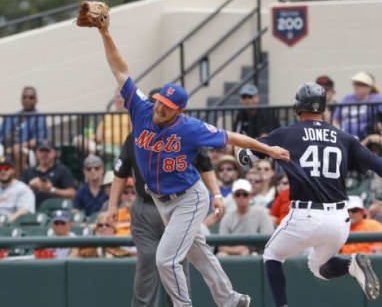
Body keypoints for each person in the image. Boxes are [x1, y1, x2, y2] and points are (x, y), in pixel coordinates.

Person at [93, 21, 289, 307]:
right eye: (159, 102)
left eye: (167, 107)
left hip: (189, 198)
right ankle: (232, 300)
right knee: (200, 255)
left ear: (179, 111)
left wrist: (267, 147)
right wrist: (105, 33)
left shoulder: (190, 127)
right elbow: (121, 70)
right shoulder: (142, 108)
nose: (159, 108)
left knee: (166, 259)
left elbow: (233, 137)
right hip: (161, 201)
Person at [237, 82, 382, 306]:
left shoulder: (287, 133)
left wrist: (237, 146)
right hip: (338, 220)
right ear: (323, 107)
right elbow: (379, 165)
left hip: (305, 215)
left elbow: (245, 158)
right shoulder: (343, 137)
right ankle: (350, 265)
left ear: (298, 106)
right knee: (318, 268)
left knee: (272, 255)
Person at [107, 132, 220, 307]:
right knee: (148, 259)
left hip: (180, 204)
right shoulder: (136, 136)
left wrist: (217, 194)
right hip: (146, 204)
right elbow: (120, 172)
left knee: (177, 263)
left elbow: (205, 166)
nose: (158, 110)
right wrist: (113, 205)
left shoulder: (187, 131)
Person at [332, 71, 382, 140]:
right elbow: (335, 119)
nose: (356, 86)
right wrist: (337, 130)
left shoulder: (378, 98)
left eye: (360, 84)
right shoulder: (347, 98)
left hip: (366, 137)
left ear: (369, 87)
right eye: (354, 84)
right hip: (344, 137)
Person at [217, 179, 274, 256]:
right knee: (221, 255)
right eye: (238, 194)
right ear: (233, 196)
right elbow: (221, 246)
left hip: (257, 253)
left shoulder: (261, 213)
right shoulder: (227, 217)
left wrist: (248, 249)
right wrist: (238, 250)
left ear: (250, 196)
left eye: (245, 194)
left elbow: (268, 240)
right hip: (233, 253)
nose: (241, 197)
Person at [0, 86, 48, 176]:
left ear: (35, 100)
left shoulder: (39, 118)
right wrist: (7, 148)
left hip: (28, 149)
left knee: (19, 153)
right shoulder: (11, 116)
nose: (27, 100)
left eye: (31, 97)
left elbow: (39, 140)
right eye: (24, 97)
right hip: (6, 147)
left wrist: (16, 147)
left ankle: (18, 183)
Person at [20, 142, 76, 209]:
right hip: (32, 209)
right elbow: (18, 191)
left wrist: (51, 190)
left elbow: (72, 194)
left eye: (47, 151)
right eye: (41, 151)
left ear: (54, 153)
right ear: (37, 153)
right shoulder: (29, 171)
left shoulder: (62, 170)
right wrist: (30, 186)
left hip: (55, 210)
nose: (44, 154)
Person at [0, 156, 35, 223]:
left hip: (12, 228)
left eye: (6, 168)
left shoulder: (23, 189)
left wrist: (4, 222)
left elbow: (24, 211)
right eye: (0, 168)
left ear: (13, 170)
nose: (3, 171)